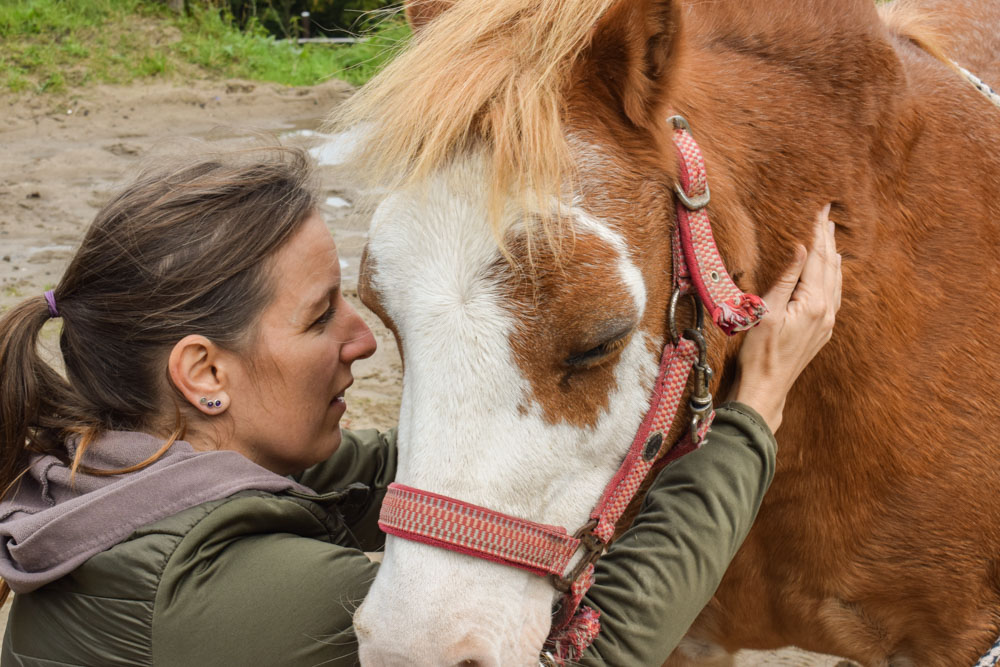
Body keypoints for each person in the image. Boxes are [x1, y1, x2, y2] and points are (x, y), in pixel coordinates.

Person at [0, 147, 840, 666]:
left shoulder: (106, 473)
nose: (362, 340)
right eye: (321, 313)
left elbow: (385, 476)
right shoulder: (228, 593)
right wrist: (754, 410)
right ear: (202, 372)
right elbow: (593, 654)